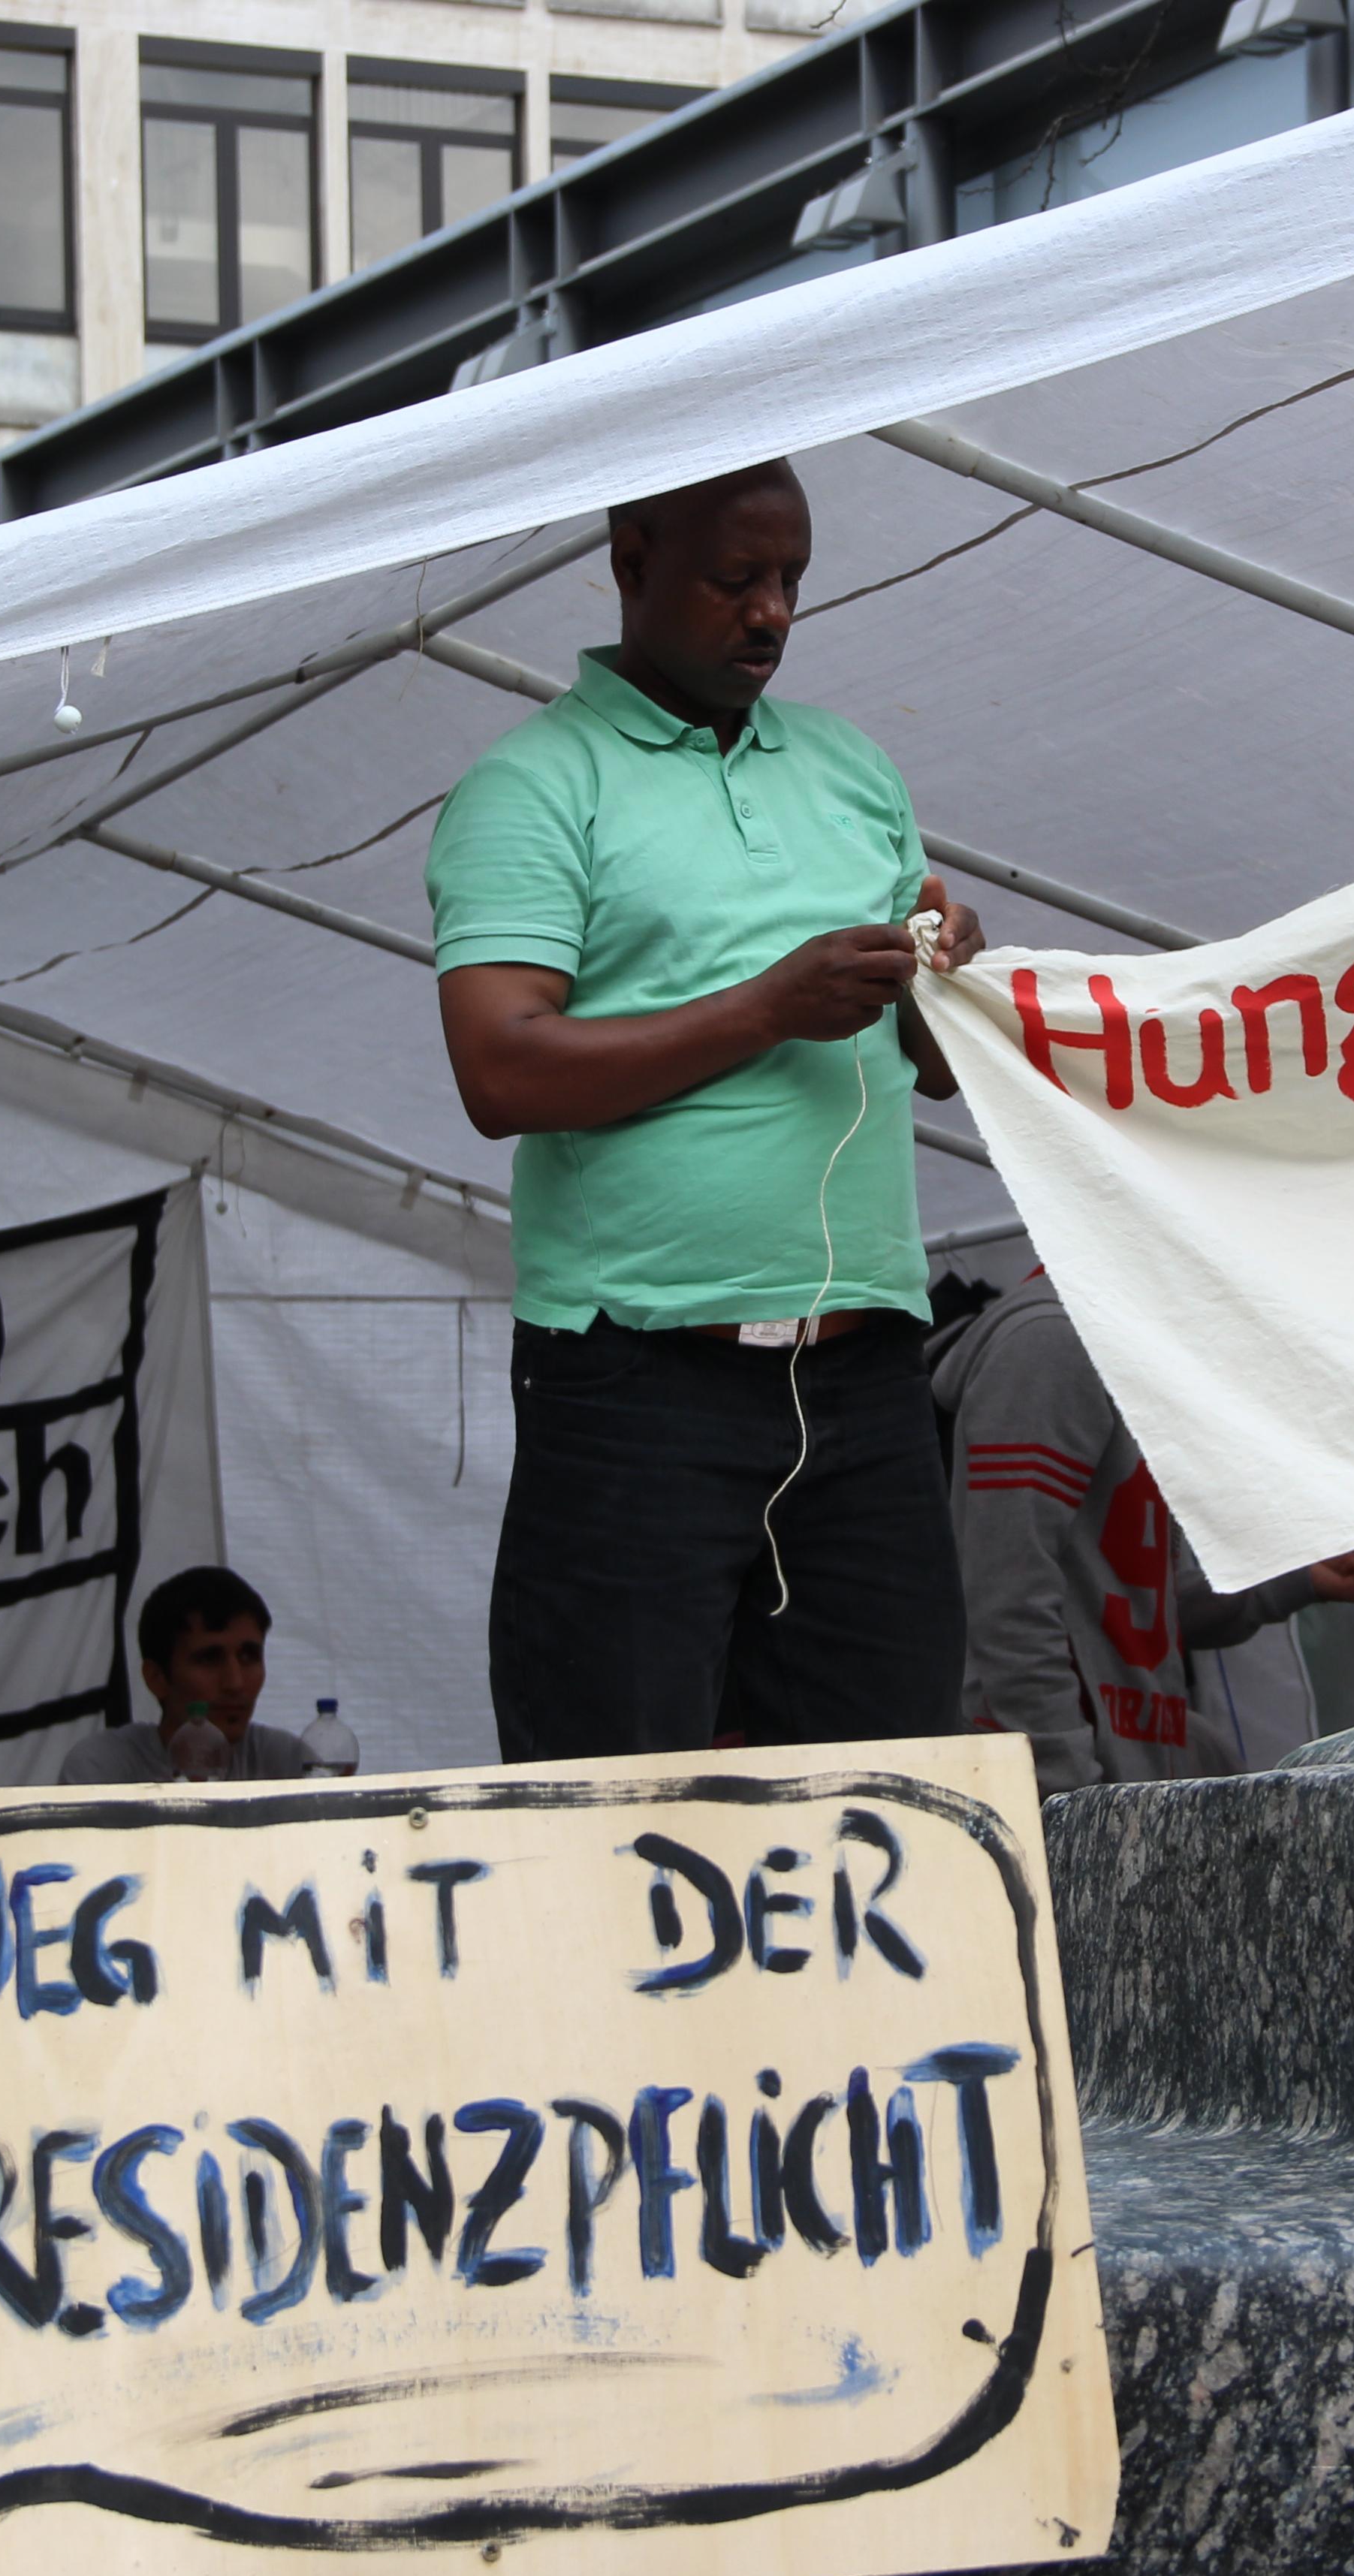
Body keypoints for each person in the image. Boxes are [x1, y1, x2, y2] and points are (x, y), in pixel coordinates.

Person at [430, 457, 983, 1763]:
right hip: (635, 1380)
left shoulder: (850, 766)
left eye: (791, 581)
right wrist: (762, 1010)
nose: (771, 612)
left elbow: (945, 1064)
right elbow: (498, 1073)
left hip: (864, 1374)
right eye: (735, 580)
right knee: (613, 1802)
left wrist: (949, 966)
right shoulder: (532, 786)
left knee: (888, 1800)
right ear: (631, 562)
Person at [927, 1272, 1354, 1794]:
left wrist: (1299, 1579)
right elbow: (1004, 1598)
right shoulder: (1052, 1345)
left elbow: (1138, 1608)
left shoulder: (1132, 1352)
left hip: (1130, 1785)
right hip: (1070, 1804)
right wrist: (1071, 1794)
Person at [61, 1567, 315, 1782]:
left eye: (249, 1657)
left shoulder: (286, 1762)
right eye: (210, 1659)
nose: (235, 1683)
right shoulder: (103, 1768)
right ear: (156, 1678)